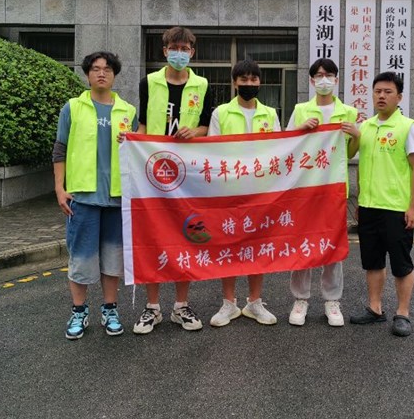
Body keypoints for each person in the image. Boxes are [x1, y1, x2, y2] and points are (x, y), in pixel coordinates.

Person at [132, 26, 213, 335]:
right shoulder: (148, 82)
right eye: (174, 48)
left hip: (187, 174)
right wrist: (131, 143)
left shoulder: (202, 84)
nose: (180, 53)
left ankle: (181, 306)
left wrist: (195, 132)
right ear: (164, 50)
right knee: (152, 237)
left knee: (187, 235)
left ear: (192, 52)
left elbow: (207, 125)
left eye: (185, 48)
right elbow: (142, 125)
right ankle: (152, 307)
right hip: (152, 173)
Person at [53, 51, 136, 340]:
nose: (102, 73)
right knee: (82, 257)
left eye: (107, 69)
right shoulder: (73, 108)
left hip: (116, 197)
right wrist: (60, 188)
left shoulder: (128, 111)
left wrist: (132, 142)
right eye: (96, 69)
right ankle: (79, 311)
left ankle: (110, 309)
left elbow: (138, 152)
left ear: (115, 75)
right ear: (87, 74)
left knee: (112, 258)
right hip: (82, 196)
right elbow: (60, 149)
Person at [345, 71, 414, 337]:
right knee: (373, 261)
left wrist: (413, 207)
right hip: (369, 207)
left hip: (396, 209)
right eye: (377, 91)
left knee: (401, 263)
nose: (381, 96)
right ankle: (375, 308)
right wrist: (360, 201)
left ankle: (403, 313)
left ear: (399, 97)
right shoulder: (366, 127)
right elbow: (357, 161)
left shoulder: (407, 127)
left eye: (388, 92)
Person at [208, 59, 281, 327]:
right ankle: (229, 303)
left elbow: (279, 150)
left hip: (261, 192)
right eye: (243, 79)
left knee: (257, 245)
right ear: (234, 83)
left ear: (260, 82)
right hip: (230, 191)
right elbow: (213, 151)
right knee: (228, 244)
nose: (249, 84)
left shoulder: (270, 114)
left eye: (253, 79)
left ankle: (254, 302)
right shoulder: (221, 113)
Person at [285, 58, 358, 327]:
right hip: (305, 188)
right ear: (311, 80)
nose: (323, 80)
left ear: (336, 80)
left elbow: (349, 153)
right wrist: (301, 129)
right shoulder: (301, 110)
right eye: (318, 75)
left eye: (328, 75)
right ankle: (300, 298)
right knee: (302, 242)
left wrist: (357, 135)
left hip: (334, 189)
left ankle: (332, 300)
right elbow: (286, 145)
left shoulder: (348, 112)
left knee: (332, 244)